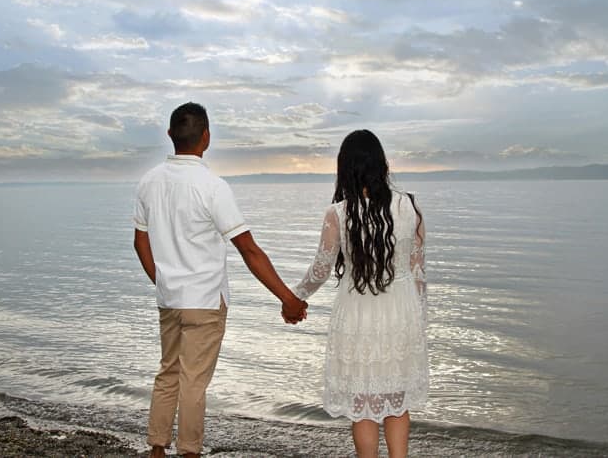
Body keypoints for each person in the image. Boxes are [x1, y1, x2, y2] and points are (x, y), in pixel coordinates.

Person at [133, 102, 308, 458]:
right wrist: (288, 299)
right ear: (207, 137)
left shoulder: (149, 181)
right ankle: (190, 451)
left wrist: (162, 280)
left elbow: (140, 241)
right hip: (205, 300)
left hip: (170, 298)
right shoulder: (212, 186)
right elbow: (248, 248)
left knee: (168, 372)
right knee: (193, 380)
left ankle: (156, 449)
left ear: (170, 135)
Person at [292, 129, 428, 458]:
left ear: (346, 168)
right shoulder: (409, 206)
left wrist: (294, 297)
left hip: (358, 315)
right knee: (397, 400)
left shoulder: (338, 213)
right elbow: (418, 273)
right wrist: (419, 320)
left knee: (364, 405)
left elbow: (321, 270)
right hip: (401, 314)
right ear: (381, 164)